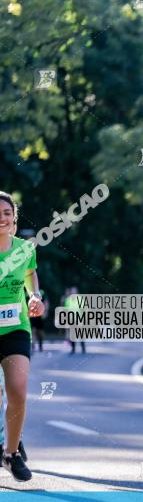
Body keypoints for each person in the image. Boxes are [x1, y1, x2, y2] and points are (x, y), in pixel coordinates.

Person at [0, 192, 44, 481]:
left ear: (13, 217)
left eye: (6, 212)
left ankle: (11, 454)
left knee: (18, 391)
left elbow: (30, 275)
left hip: (16, 327)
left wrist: (35, 296)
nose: (1, 218)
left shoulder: (25, 249)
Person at [63, 287, 86, 354]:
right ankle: (73, 349)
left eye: (74, 292)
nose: (73, 293)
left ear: (77, 292)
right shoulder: (68, 300)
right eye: (72, 292)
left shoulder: (80, 299)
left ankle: (83, 348)